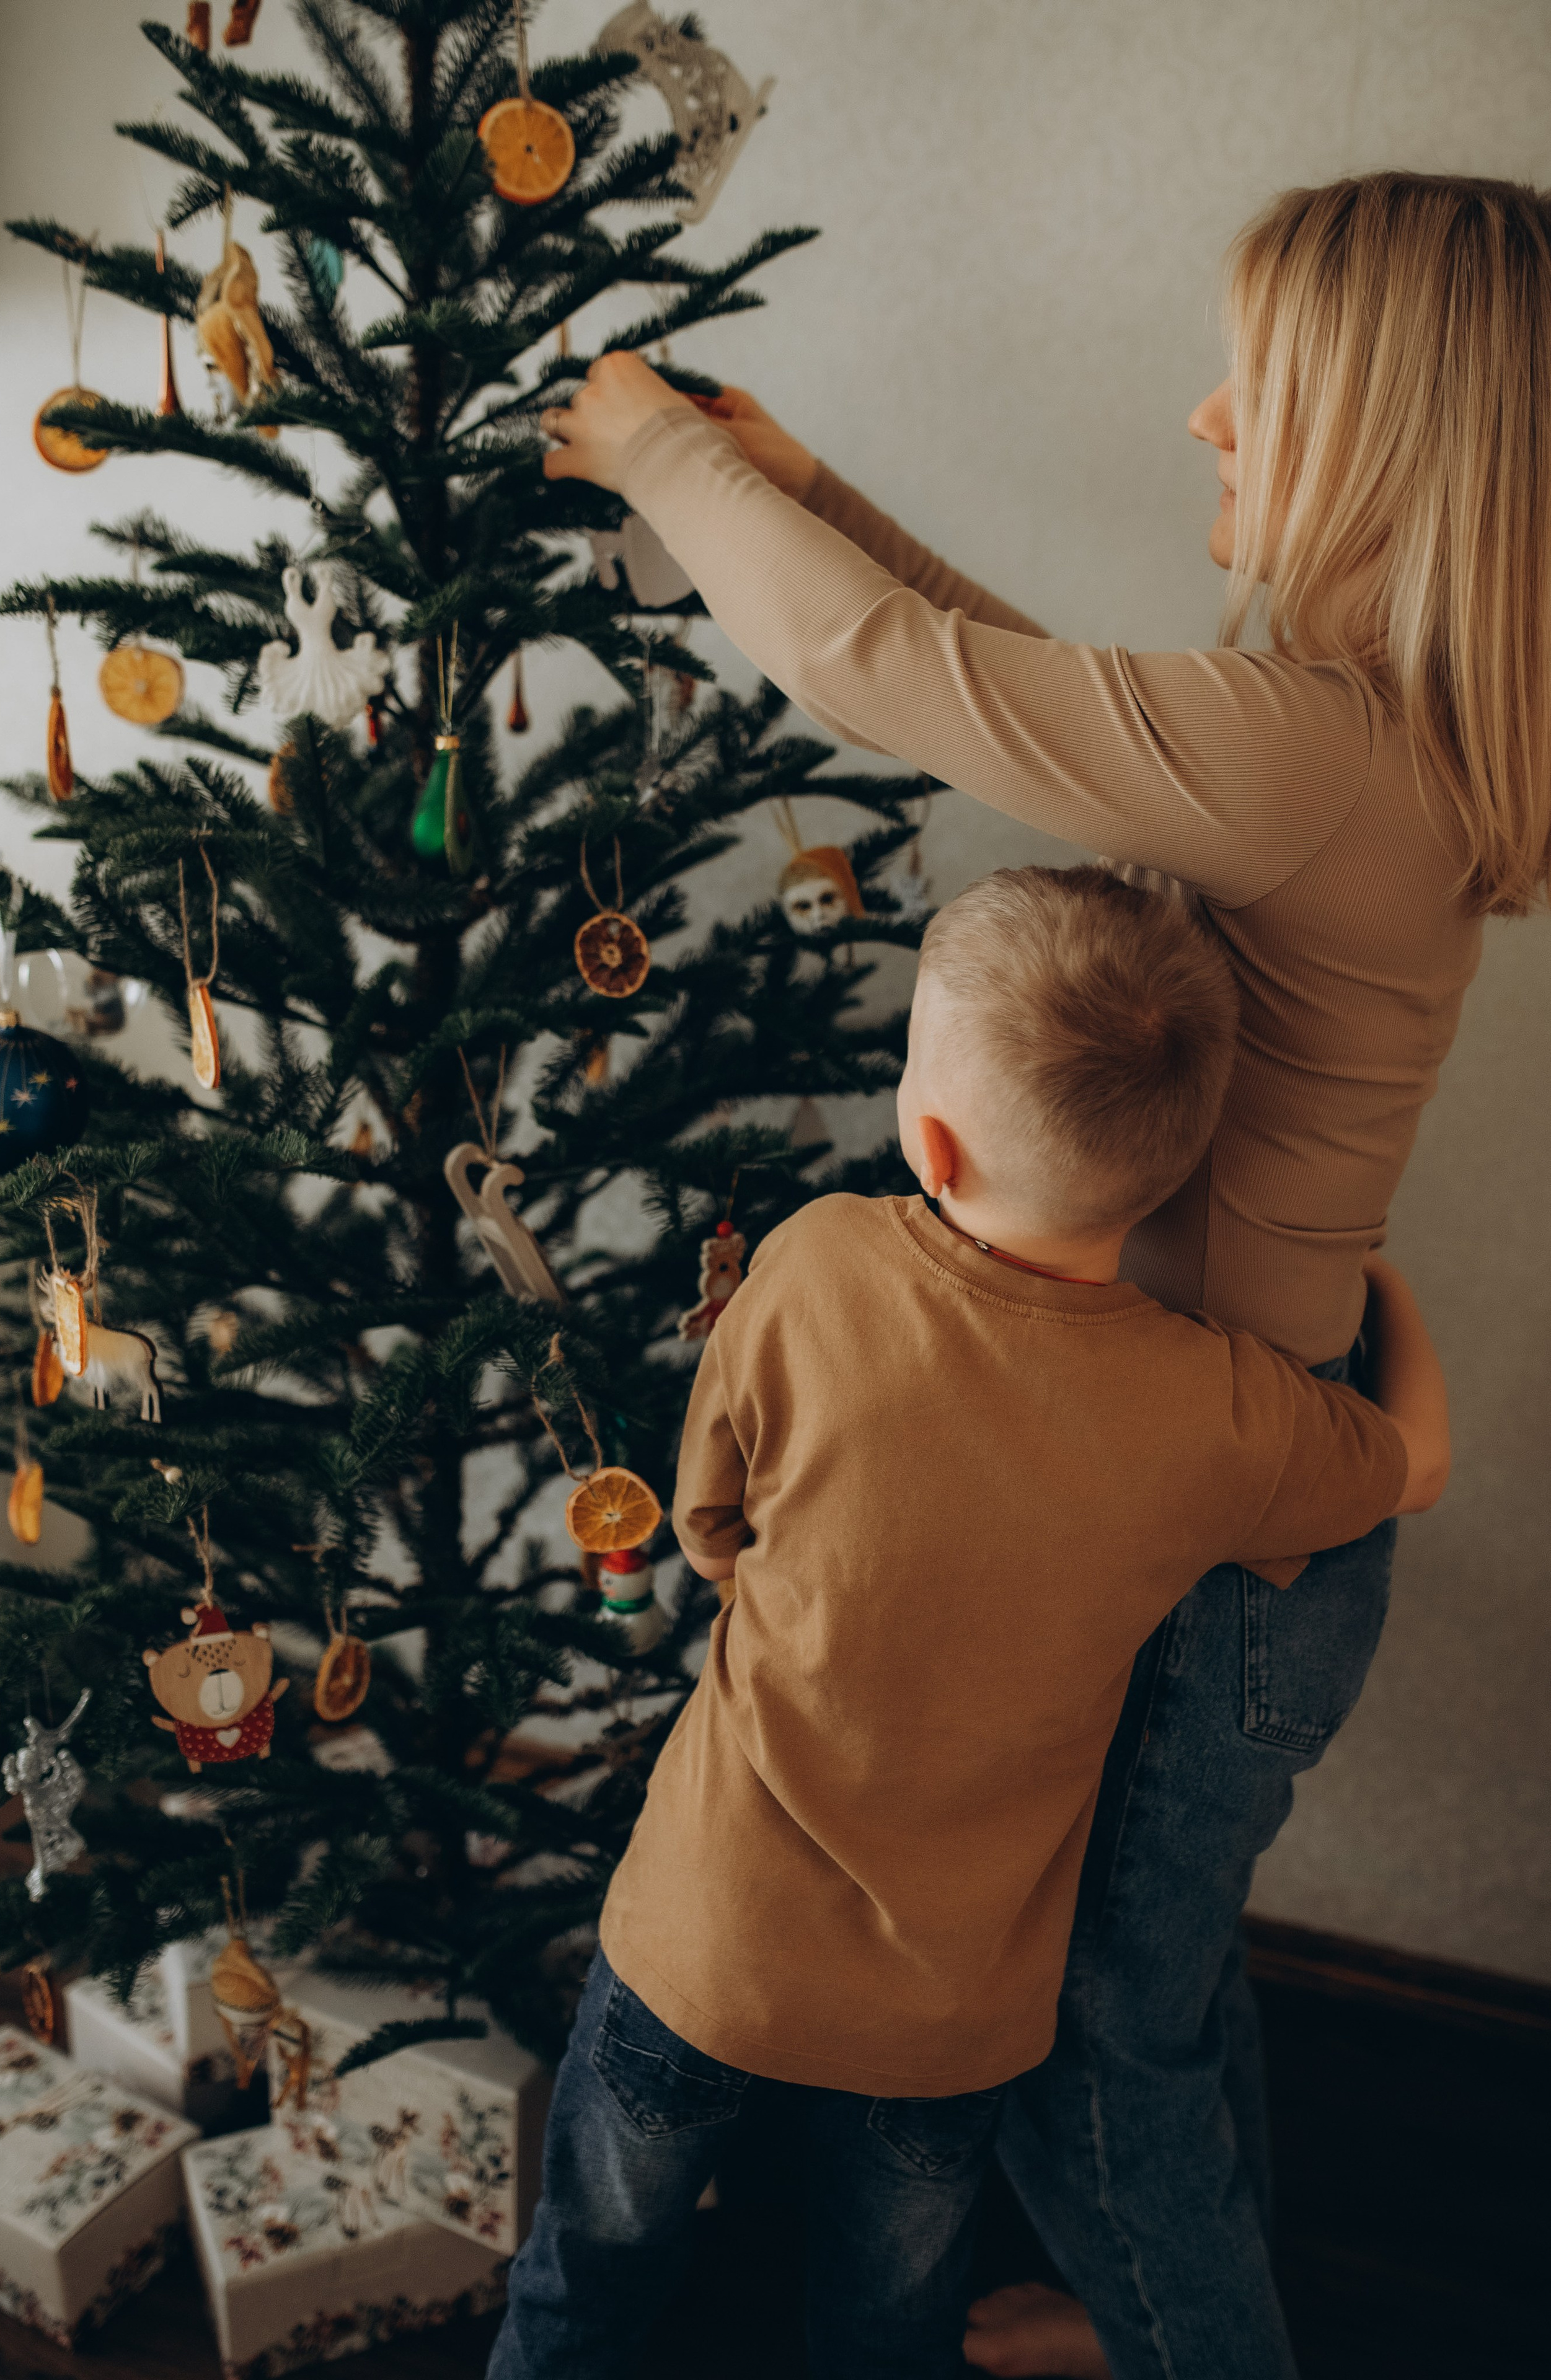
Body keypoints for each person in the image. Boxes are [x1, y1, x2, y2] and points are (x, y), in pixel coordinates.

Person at [537, 173, 1551, 2378]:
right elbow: (1017, 689)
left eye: (1253, 391)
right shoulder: (1357, 736)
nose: (1203, 420)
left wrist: (659, 451)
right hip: (1226, 1486)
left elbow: (887, 681)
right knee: (1162, 2004)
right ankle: (1171, 2289)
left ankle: (1193, 2326)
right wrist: (829, 496)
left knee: (1106, 2076)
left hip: (1211, 1538)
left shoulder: (1315, 754)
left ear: (1378, 443)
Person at [487, 866, 1447, 2380]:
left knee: (589, 2274)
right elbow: (1409, 1467)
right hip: (944, 2023)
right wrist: (1370, 1276)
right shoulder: (1213, 1413)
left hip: (702, 1946)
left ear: (925, 1137)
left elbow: (707, 1520)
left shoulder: (811, 1265)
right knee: (884, 2326)